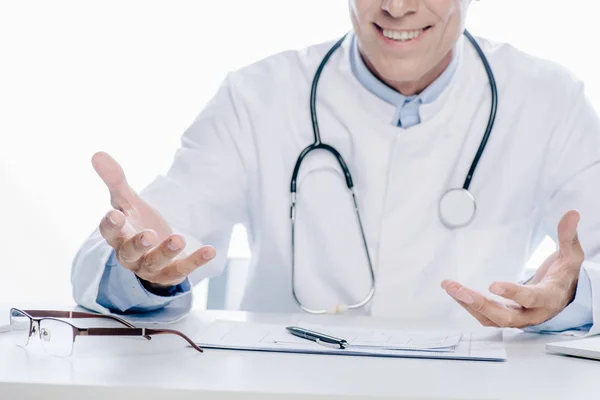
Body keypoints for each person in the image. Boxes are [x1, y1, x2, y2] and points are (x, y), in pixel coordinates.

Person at [72, 0, 600, 335]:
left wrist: (573, 294)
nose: (397, 6)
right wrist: (142, 270)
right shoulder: (257, 96)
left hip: (474, 386)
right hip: (293, 386)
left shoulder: (548, 100)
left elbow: (590, 258)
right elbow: (159, 237)